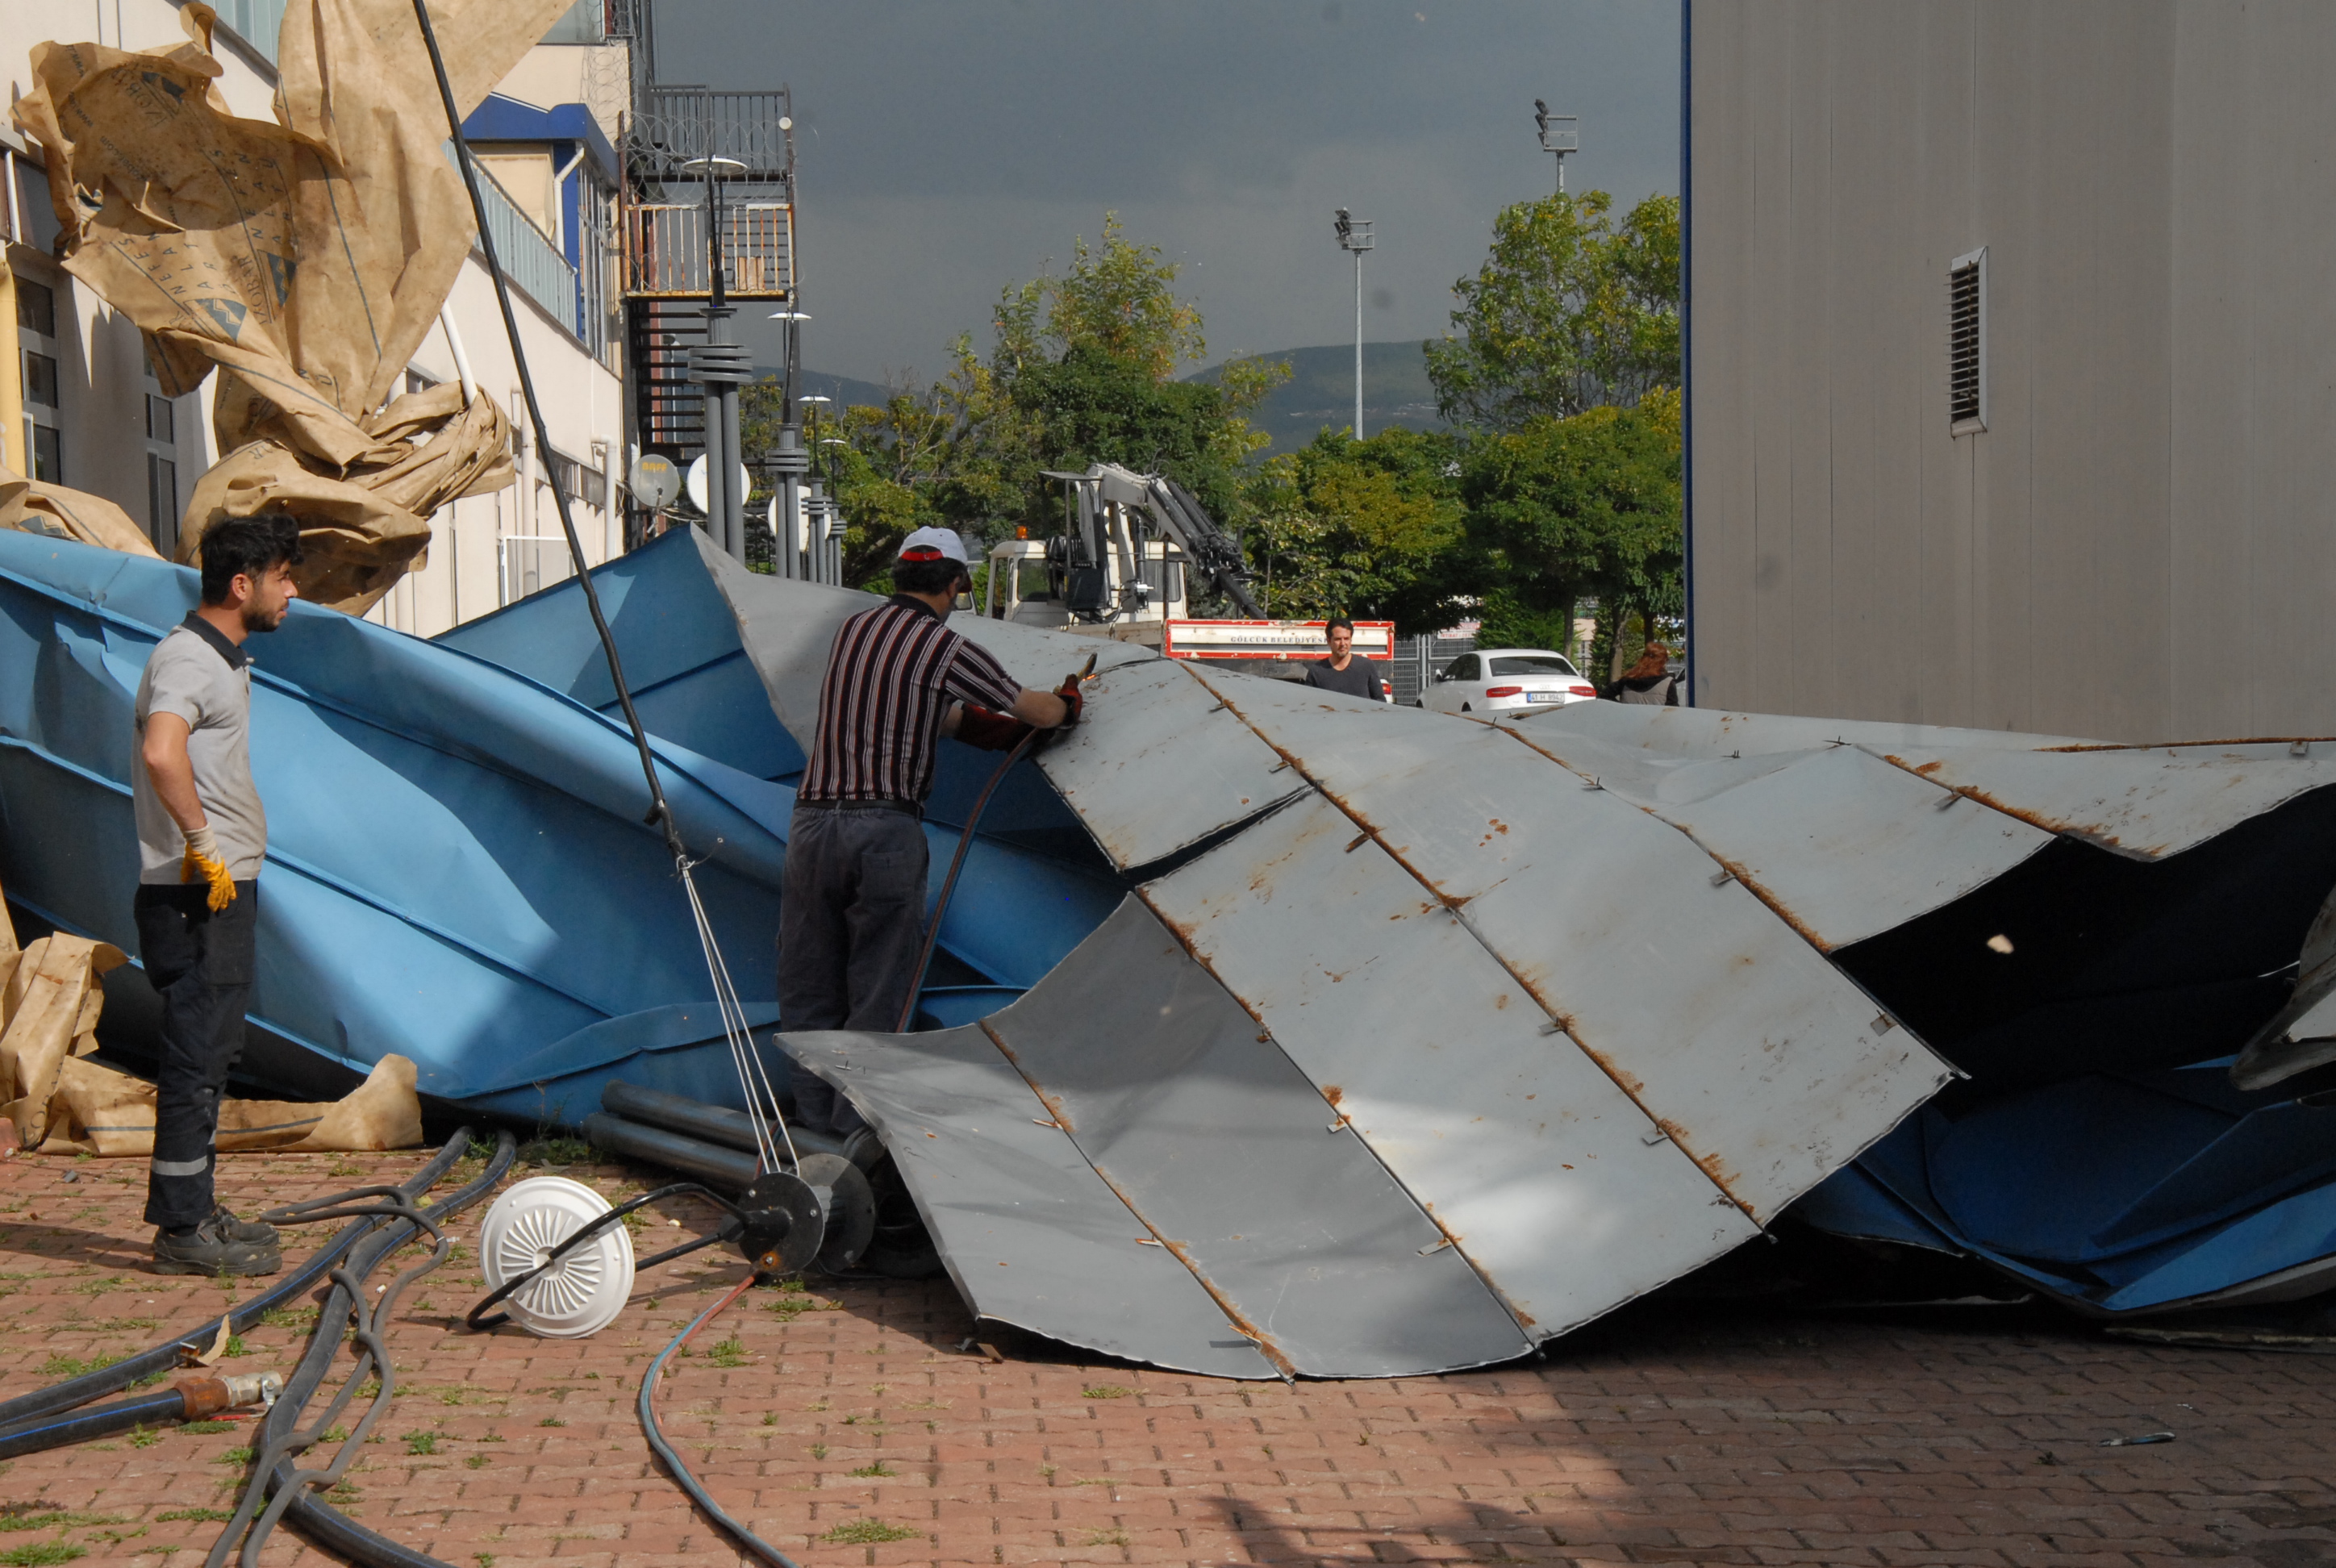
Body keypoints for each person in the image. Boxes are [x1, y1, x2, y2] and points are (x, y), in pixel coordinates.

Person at [780, 527, 1082, 1143]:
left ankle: (810, 1129)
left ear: (897, 579)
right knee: (878, 990)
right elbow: (1039, 711)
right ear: (956, 584)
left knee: (810, 985)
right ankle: (855, 1136)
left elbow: (929, 715)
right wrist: (1071, 700)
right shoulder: (945, 647)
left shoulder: (853, 632)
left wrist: (977, 727)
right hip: (884, 829)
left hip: (812, 824)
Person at [132, 511, 302, 1275]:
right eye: (283, 577)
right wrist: (203, 845)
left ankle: (196, 1207)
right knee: (196, 1056)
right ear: (243, 585)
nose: (291, 591)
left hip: (218, 890)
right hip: (196, 892)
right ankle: (180, 1231)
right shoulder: (189, 661)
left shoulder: (221, 658)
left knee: (214, 1050)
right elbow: (162, 751)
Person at [1301, 617, 1387, 703]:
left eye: (1346, 639)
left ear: (1351, 641)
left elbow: (1380, 702)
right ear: (1329, 641)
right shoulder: (1316, 672)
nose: (1343, 644)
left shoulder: (1366, 666)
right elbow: (1309, 706)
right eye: (1338, 639)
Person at [1611, 640, 1685, 707]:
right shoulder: (1667, 683)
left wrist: (1620, 708)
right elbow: (1673, 710)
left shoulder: (1626, 681)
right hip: (1656, 721)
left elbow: (1605, 696)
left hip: (1629, 720)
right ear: (1663, 661)